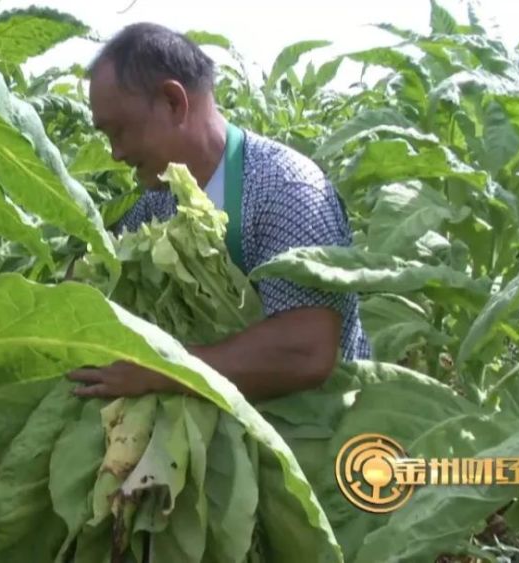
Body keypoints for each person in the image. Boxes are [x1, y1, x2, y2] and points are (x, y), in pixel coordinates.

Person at [67, 23, 371, 402]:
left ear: (173, 102)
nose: (115, 153)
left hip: (322, 432)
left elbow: (305, 351)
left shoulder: (286, 188)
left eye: (120, 131)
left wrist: (163, 367)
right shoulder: (158, 199)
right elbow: (92, 276)